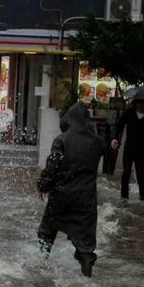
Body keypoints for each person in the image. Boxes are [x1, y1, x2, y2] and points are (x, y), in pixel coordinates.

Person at [37, 102, 103, 277]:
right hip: (86, 200)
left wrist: (42, 186)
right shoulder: (97, 142)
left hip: (61, 197)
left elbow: (52, 168)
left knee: (46, 232)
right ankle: (87, 276)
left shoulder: (62, 140)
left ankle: (40, 267)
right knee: (86, 243)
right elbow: (110, 155)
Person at [110, 99, 144, 203]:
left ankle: (143, 198)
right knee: (126, 172)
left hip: (142, 150)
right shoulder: (129, 113)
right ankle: (124, 197)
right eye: (138, 103)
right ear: (135, 103)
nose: (140, 105)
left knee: (140, 175)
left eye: (142, 103)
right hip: (129, 149)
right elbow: (119, 125)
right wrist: (115, 138)